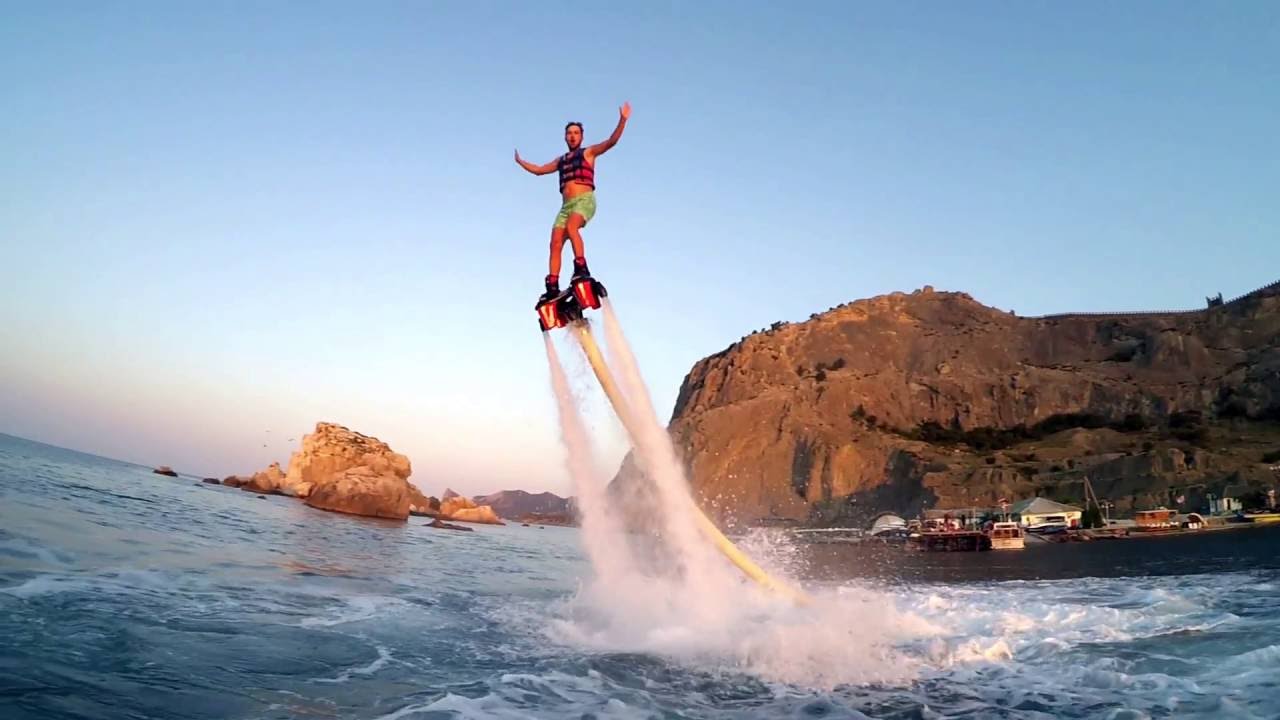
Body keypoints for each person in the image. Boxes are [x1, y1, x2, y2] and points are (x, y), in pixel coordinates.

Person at [515, 102, 630, 302]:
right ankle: (552, 285)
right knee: (555, 242)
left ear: (581, 136)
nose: (572, 136)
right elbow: (540, 170)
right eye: (569, 133)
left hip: (584, 201)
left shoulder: (589, 153)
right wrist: (520, 162)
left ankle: (580, 266)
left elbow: (612, 141)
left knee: (571, 227)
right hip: (565, 207)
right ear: (565, 137)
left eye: (576, 132)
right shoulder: (561, 160)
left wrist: (623, 119)